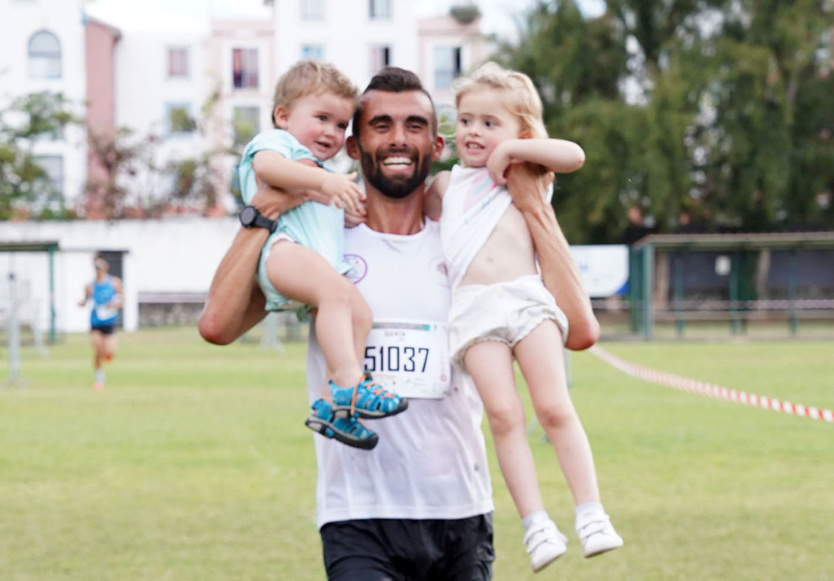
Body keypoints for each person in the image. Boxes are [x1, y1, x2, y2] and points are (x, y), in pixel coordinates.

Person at [199, 66, 600, 580]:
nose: (397, 139)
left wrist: (534, 207)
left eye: (414, 126)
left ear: (436, 145)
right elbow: (218, 325)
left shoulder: (468, 241)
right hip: (357, 517)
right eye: (380, 125)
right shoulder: (324, 245)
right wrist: (262, 211)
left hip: (461, 513)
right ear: (353, 144)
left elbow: (581, 330)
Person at [424, 62, 623, 572]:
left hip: (527, 301)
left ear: (522, 132)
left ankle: (591, 512)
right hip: (473, 312)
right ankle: (536, 523)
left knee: (554, 408)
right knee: (504, 417)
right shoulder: (448, 186)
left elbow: (573, 154)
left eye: (491, 123)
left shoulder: (528, 172)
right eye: (466, 120)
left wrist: (512, 151)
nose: (474, 131)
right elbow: (406, 204)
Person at [237, 59, 407, 449]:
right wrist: (325, 182)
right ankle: (349, 383)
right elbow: (269, 169)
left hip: (315, 265)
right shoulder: (277, 145)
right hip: (284, 254)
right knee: (334, 293)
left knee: (360, 313)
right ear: (283, 115)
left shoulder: (317, 172)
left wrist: (341, 211)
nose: (332, 132)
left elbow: (312, 202)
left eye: (341, 124)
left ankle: (333, 408)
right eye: (322, 118)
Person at [79, 255, 123, 390]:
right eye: (96, 268)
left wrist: (114, 305)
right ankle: (99, 377)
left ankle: (107, 355)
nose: (98, 270)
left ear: (106, 268)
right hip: (96, 321)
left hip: (109, 321)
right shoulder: (90, 286)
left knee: (109, 352)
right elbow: (86, 300)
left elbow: (122, 300)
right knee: (97, 349)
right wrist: (82, 302)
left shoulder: (114, 282)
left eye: (100, 268)